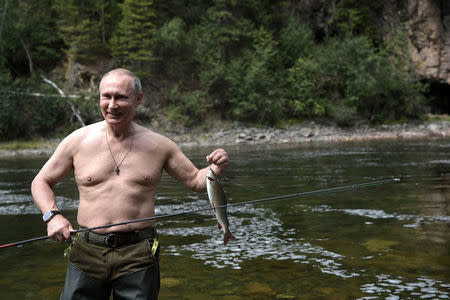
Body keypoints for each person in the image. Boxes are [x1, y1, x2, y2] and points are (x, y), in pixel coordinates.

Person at [31, 68, 229, 300]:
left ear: (138, 99)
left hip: (139, 253)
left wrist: (215, 168)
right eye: (106, 96)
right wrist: (52, 216)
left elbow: (196, 180)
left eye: (121, 97)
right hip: (86, 250)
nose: (112, 105)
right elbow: (41, 181)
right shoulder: (77, 141)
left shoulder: (160, 146)